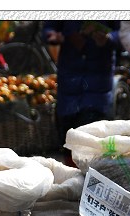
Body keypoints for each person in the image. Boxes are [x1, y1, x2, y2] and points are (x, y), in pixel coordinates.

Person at [42, 21, 121, 165]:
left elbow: (124, 33)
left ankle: (92, 178)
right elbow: (49, 27)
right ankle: (72, 179)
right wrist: (52, 35)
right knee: (68, 136)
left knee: (92, 139)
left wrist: (109, 38)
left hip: (98, 81)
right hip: (69, 80)